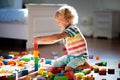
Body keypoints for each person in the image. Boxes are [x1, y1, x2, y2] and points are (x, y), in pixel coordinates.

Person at [33, 5, 93, 71]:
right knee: (54, 64)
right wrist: (39, 41)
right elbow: (53, 40)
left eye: (59, 22)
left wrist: (40, 38)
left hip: (80, 57)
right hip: (71, 57)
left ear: (67, 20)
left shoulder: (72, 29)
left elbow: (56, 37)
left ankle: (84, 66)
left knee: (68, 68)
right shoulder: (66, 31)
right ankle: (73, 65)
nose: (58, 24)